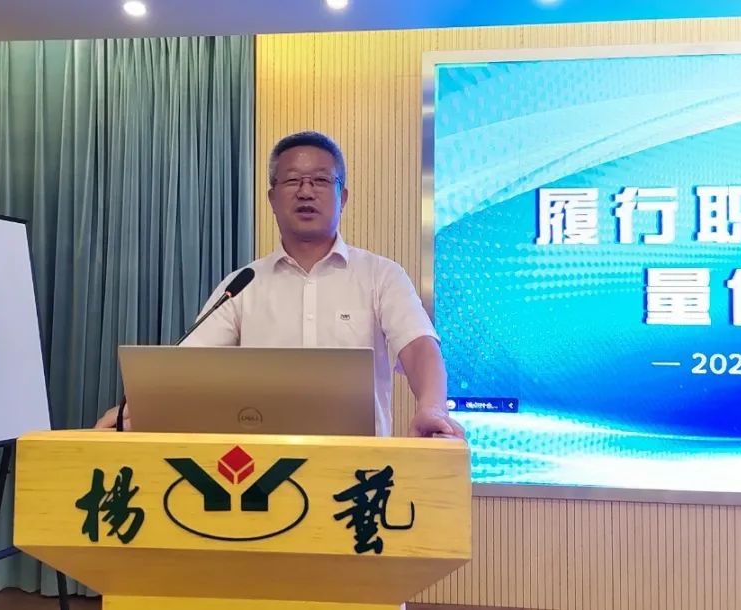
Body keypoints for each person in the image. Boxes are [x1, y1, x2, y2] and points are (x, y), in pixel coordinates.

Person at [95, 130, 464, 439]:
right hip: (262, 476)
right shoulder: (243, 285)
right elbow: (190, 368)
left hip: (357, 475)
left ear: (343, 197)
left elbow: (419, 347)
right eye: (292, 181)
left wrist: (432, 408)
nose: (306, 192)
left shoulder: (380, 275)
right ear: (272, 198)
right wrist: (136, 411)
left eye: (321, 180)